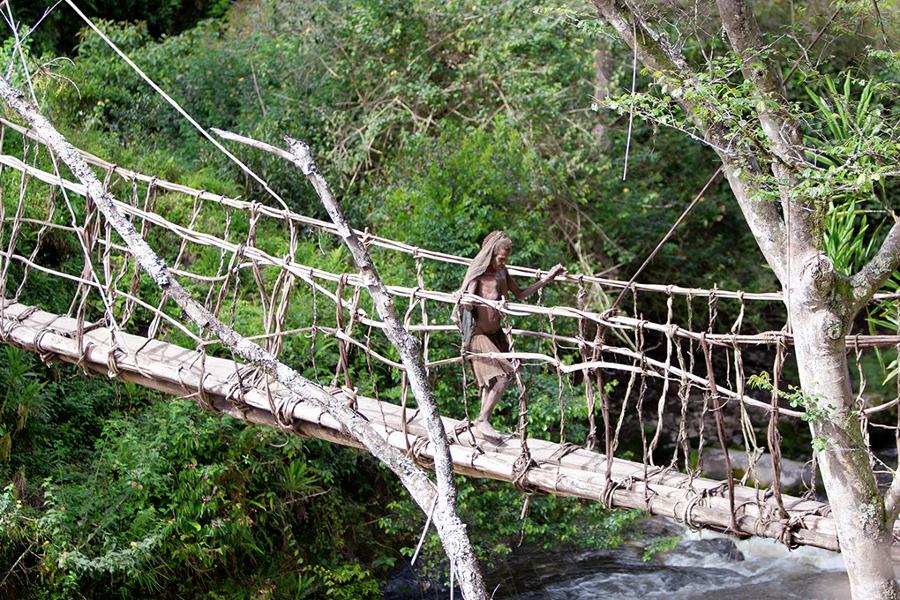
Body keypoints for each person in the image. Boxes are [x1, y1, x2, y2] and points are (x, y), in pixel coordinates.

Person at [457, 231, 565, 441]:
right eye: (500, 258)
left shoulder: (502, 273)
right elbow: (468, 303)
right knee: (503, 375)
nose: (503, 262)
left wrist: (548, 278)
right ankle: (482, 420)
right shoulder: (478, 274)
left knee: (505, 374)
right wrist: (463, 297)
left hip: (495, 335)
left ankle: (482, 421)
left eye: (506, 259)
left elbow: (521, 294)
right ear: (491, 254)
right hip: (478, 336)